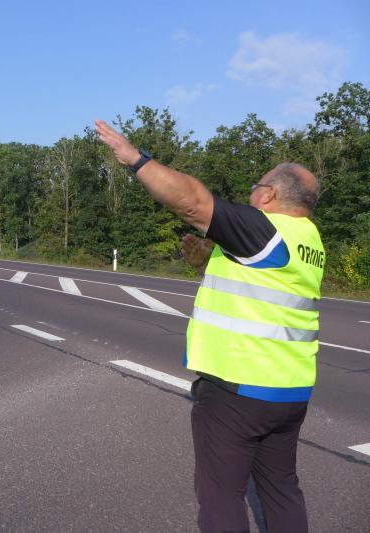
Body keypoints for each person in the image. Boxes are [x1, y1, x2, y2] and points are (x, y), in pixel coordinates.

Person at [95, 119, 323, 533]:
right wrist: (205, 263)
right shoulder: (309, 240)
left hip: (239, 388)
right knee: (281, 489)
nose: (252, 193)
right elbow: (265, 291)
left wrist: (135, 159)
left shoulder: (266, 230)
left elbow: (192, 202)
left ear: (269, 194)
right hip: (290, 391)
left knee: (221, 496)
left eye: (256, 185)